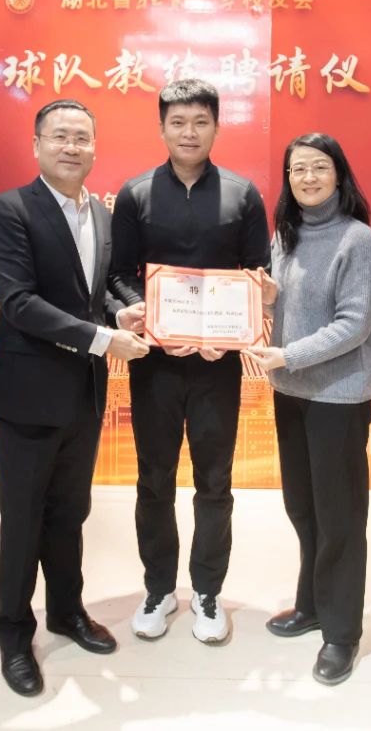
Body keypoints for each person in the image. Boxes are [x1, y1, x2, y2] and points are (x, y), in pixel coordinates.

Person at [0, 99, 150, 697]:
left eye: (82, 137)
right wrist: (104, 339)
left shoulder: (100, 214)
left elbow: (91, 291)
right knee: (23, 520)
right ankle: (13, 634)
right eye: (59, 136)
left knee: (70, 512)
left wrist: (117, 312)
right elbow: (19, 302)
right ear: (37, 145)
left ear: (95, 147)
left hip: (83, 394)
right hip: (29, 395)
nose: (71, 146)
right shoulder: (9, 210)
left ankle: (66, 611)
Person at [109, 79, 270, 644]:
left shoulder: (243, 195)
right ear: (161, 128)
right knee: (154, 478)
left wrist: (231, 332)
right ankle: (158, 589)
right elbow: (118, 276)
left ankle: (207, 592)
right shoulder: (135, 194)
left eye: (200, 121)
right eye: (178, 122)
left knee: (215, 480)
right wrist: (148, 320)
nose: (189, 132)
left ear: (217, 127)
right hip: (155, 362)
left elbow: (256, 274)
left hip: (217, 364)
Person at [243, 132, 371, 686]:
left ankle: (342, 633)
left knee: (340, 517)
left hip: (338, 397)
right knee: (303, 508)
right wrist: (269, 300)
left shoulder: (358, 239)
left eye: (319, 167)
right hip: (292, 392)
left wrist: (288, 355)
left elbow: (355, 324)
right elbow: (294, 304)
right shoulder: (287, 235)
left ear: (339, 174)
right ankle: (312, 605)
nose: (308, 177)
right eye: (297, 168)